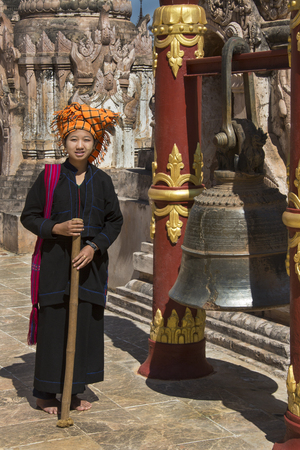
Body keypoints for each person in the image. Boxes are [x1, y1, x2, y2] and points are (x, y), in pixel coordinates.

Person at [21, 102, 123, 415]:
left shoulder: (102, 181)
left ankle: (74, 390)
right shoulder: (50, 177)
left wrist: (94, 247)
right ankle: (45, 394)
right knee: (54, 328)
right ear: (64, 142)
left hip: (89, 268)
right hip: (55, 267)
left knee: (83, 329)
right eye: (74, 139)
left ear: (96, 144)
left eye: (87, 140)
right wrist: (57, 228)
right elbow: (30, 217)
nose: (80, 145)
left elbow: (114, 221)